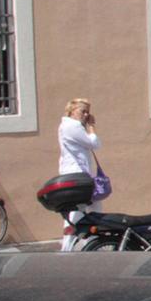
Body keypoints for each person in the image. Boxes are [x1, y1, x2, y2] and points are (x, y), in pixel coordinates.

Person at [57, 98, 102, 250]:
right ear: (72, 111)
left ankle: (90, 240)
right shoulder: (73, 126)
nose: (86, 114)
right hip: (78, 175)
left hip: (77, 174)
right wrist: (91, 127)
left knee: (87, 207)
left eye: (88, 111)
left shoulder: (68, 126)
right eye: (83, 111)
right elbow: (94, 144)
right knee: (78, 211)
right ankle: (68, 245)